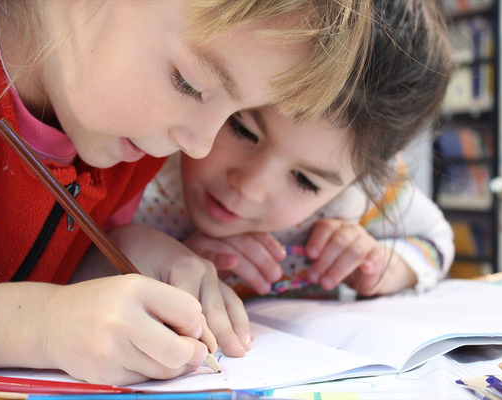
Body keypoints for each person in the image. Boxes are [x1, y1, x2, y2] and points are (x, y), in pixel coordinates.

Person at [0, 0, 373, 386]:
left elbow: (36, 268)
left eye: (235, 114)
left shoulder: (130, 146)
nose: (199, 146)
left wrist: (118, 257)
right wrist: (40, 327)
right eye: (190, 84)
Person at [129, 0, 454, 301]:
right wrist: (158, 259)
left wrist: (384, 266)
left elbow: (437, 240)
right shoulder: (140, 153)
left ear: (361, 179)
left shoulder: (359, 199)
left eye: (304, 181)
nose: (249, 187)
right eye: (241, 129)